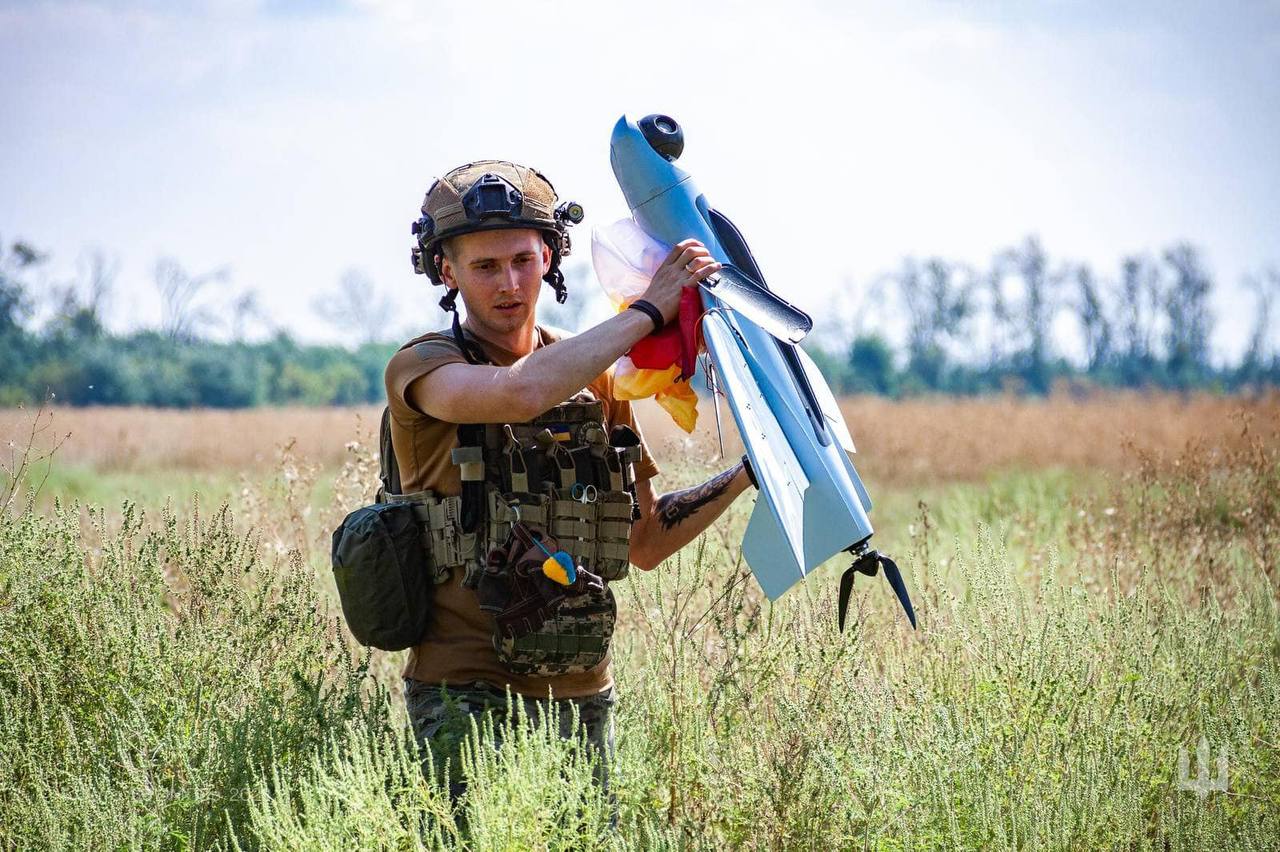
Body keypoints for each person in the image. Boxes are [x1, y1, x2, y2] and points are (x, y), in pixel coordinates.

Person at [384, 161, 753, 794]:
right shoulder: (423, 369)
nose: (509, 283)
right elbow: (520, 391)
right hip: (466, 694)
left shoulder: (598, 379)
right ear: (446, 272)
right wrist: (647, 314)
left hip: (582, 696)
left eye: (524, 260)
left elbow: (647, 541)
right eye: (484, 267)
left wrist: (749, 474)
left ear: (551, 256)